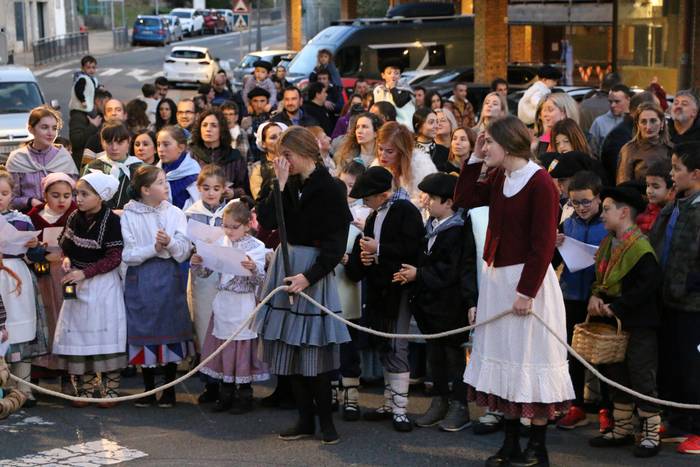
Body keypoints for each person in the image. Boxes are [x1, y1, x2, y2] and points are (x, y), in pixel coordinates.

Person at [454, 116, 575, 466]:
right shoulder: (499, 177)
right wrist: (475, 160)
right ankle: (510, 443)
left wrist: (526, 291)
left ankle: (537, 447)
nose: (484, 145)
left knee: (531, 357)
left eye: (489, 141)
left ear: (508, 143)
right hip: (497, 279)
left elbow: (542, 244)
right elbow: (463, 197)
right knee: (505, 356)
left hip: (528, 282)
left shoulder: (540, 183)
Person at [254, 126, 352, 445]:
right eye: (280, 157)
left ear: (306, 152)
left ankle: (326, 421)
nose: (284, 162)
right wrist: (279, 186)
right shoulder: (286, 183)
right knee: (288, 346)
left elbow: (336, 245)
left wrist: (308, 277)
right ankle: (304, 419)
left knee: (314, 350)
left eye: (288, 156)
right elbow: (268, 220)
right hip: (286, 263)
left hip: (312, 271)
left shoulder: (330, 188)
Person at [395, 172, 477, 433]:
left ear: (449, 202)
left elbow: (452, 269)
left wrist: (420, 274)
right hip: (429, 305)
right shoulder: (430, 226)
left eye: (432, 198)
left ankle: (459, 405)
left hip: (451, 305)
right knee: (435, 356)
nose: (427, 202)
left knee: (454, 356)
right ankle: (439, 400)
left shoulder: (458, 230)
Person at [345, 166, 424, 432]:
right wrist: (365, 258)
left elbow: (413, 247)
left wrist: (379, 250)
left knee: (397, 344)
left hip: (398, 287)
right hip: (379, 288)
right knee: (383, 344)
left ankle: (401, 409)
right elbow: (367, 250)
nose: (364, 201)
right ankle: (390, 403)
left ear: (381, 194)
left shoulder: (406, 211)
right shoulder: (372, 217)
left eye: (368, 196)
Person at [587, 185, 663, 458]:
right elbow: (601, 280)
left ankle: (651, 433)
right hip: (614, 320)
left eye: (606, 209)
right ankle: (621, 428)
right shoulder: (608, 243)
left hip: (639, 322)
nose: (602, 215)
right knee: (616, 373)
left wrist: (616, 306)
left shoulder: (640, 248)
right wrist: (595, 297)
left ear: (624, 212)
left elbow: (646, 287)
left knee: (642, 374)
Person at [121, 165, 194, 408]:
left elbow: (184, 252)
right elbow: (129, 254)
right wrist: (153, 248)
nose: (166, 186)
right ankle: (149, 389)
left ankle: (170, 389)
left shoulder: (175, 213)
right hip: (141, 278)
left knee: (170, 326)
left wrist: (170, 243)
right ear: (145, 189)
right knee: (143, 329)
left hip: (168, 277)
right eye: (160, 182)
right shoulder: (130, 215)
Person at [53, 172, 127, 407]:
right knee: (79, 333)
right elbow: (65, 245)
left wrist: (84, 273)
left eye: (85, 194)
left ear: (101, 196)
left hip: (103, 285)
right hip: (77, 282)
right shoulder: (75, 217)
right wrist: (66, 259)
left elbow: (114, 257)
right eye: (78, 193)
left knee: (104, 333)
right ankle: (83, 388)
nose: (79, 199)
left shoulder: (112, 221)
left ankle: (110, 390)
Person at [191, 200, 269, 413]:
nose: (229, 231)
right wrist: (199, 261)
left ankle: (244, 393)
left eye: (234, 227)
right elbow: (207, 272)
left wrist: (253, 268)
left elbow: (261, 280)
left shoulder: (257, 247)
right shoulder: (220, 242)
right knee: (223, 345)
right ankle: (225, 392)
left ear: (246, 225)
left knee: (241, 347)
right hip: (224, 301)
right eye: (226, 225)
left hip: (244, 302)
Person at [648, 142, 700, 455]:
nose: (672, 173)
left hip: (693, 303)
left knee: (694, 366)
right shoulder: (677, 205)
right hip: (669, 299)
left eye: (677, 168)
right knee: (674, 364)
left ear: (695, 174)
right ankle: (679, 419)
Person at [553, 171, 607, 431]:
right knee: (572, 352)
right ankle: (575, 405)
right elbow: (552, 261)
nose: (581, 208)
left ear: (598, 199)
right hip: (572, 294)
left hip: (600, 297)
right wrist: (554, 244)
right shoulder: (568, 223)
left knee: (605, 355)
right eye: (575, 202)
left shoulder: (607, 224)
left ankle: (607, 407)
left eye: (586, 201)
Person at [0, 169, 48, 407]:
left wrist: (35, 245)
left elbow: (36, 257)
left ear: (12, 194)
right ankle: (3, 389)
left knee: (21, 331)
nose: (0, 197)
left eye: (4, 193)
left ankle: (24, 389)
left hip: (17, 276)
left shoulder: (22, 220)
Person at [185, 165, 228, 405]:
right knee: (204, 326)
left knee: (226, 325)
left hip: (226, 274)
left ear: (224, 189)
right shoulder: (191, 213)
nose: (211, 193)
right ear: (199, 189)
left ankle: (228, 380)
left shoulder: (229, 211)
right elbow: (185, 242)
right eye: (206, 188)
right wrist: (192, 251)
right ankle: (210, 382)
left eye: (216, 188)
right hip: (202, 277)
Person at [28, 173, 78, 373]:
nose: (62, 201)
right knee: (45, 315)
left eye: (67, 196)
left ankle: (68, 372)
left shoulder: (76, 214)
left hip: (68, 273)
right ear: (45, 194)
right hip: (42, 274)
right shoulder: (33, 217)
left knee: (69, 317)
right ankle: (42, 367)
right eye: (55, 195)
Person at [335, 161, 365, 421]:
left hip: (351, 290)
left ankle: (352, 394)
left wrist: (348, 259)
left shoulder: (365, 216)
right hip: (329, 290)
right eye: (343, 184)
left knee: (349, 346)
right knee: (331, 344)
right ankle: (333, 390)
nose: (347, 190)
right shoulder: (328, 213)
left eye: (353, 186)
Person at [7, 106, 79, 212]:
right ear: (31, 129)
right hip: (27, 216)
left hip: (61, 216)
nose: (50, 133)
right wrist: (30, 201)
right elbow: (9, 198)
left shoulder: (64, 157)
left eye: (54, 128)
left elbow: (75, 194)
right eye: (44, 127)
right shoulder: (17, 158)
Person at [374, 121, 437, 209]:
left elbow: (427, 201)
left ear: (402, 152)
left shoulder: (421, 165)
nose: (382, 155)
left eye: (390, 151)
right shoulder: (377, 166)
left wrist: (391, 203)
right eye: (380, 149)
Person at [82, 123, 143, 211]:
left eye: (120, 142)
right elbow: (83, 199)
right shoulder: (92, 168)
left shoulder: (141, 169)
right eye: (109, 142)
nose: (114, 148)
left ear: (128, 141)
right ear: (102, 142)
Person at [600, 91, 657, 185]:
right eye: (656, 108)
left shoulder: (634, 131)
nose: (660, 111)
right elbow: (618, 172)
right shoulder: (620, 135)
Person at [190, 109, 250, 198]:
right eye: (204, 125)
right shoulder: (191, 155)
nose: (208, 129)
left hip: (228, 208)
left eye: (214, 126)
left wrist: (233, 193)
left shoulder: (234, 156)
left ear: (221, 129)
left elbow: (245, 189)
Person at [617, 102, 672, 184]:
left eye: (653, 121)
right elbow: (623, 185)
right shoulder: (629, 149)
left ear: (662, 123)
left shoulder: (671, 148)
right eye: (643, 122)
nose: (648, 127)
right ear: (638, 125)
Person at [157, 126, 201, 210]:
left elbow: (196, 207)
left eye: (166, 145)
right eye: (158, 144)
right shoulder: (155, 172)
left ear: (181, 147)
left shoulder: (193, 173)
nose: (160, 149)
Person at [68, 55, 100, 168]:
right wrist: (82, 100)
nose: (91, 70)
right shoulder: (82, 78)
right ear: (83, 68)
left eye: (93, 67)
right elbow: (79, 89)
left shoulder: (92, 79)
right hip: (82, 164)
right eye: (88, 67)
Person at [589, 84, 632, 156]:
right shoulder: (599, 122)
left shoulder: (637, 121)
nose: (613, 105)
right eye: (610, 101)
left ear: (628, 100)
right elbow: (592, 150)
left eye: (617, 101)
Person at [249, 122, 287, 200]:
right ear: (263, 144)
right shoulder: (257, 168)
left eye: (281, 135)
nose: (280, 139)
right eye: (273, 137)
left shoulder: (294, 160)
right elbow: (259, 200)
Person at [535, 92, 580, 157]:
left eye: (550, 110)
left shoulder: (583, 138)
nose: (544, 115)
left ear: (564, 112)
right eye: (542, 111)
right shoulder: (540, 141)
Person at [373, 60, 415, 129]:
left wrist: (392, 88)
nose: (393, 76)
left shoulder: (406, 89)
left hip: (404, 128)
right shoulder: (379, 90)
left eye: (396, 73)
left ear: (400, 75)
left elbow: (399, 102)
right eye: (389, 73)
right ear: (383, 75)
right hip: (384, 127)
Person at [636, 160, 672, 234]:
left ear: (671, 189)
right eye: (648, 185)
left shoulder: (674, 214)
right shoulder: (648, 210)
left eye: (656, 187)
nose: (649, 191)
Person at [413, 107, 450, 173]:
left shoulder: (444, 151)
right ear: (418, 126)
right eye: (431, 122)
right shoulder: (408, 151)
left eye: (437, 122)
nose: (436, 126)